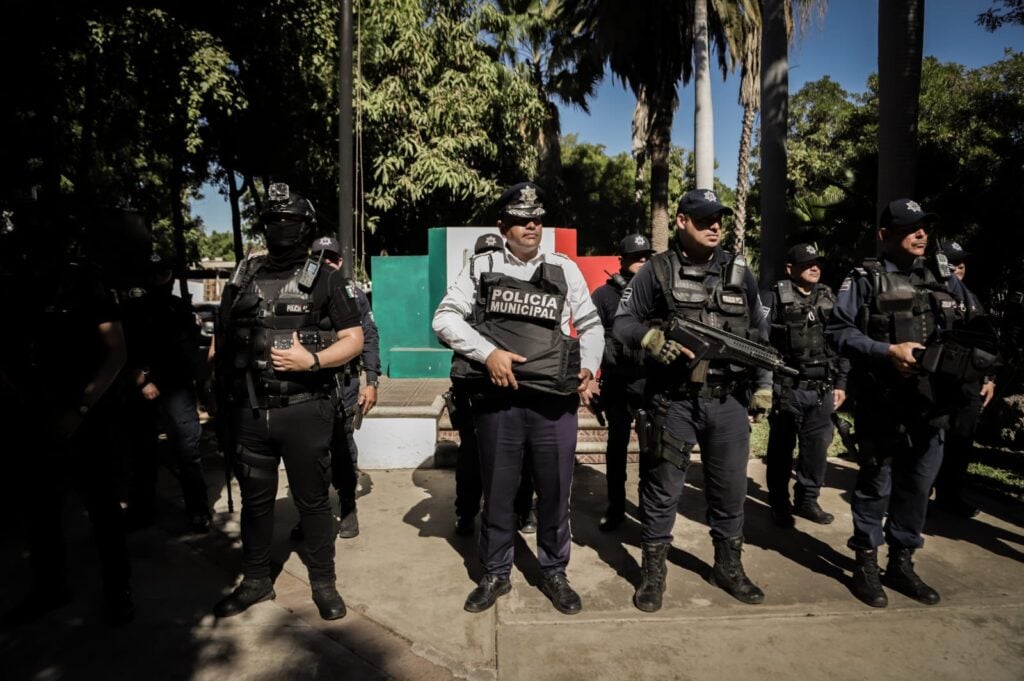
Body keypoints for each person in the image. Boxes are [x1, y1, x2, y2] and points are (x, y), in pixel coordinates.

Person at [433, 182, 603, 615]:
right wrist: (487, 353)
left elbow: (591, 325)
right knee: (500, 491)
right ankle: (495, 573)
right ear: (502, 225)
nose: (532, 225)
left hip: (553, 404)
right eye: (522, 219)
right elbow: (445, 318)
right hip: (499, 404)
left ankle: (554, 571)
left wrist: (587, 366)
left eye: (537, 219)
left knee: (554, 492)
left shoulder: (564, 268)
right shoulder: (480, 266)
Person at [613, 188, 773, 612]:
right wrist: (650, 338)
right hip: (674, 401)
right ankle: (653, 573)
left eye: (718, 219)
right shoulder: (657, 271)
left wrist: (764, 384)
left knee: (730, 491)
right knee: (662, 489)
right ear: (681, 222)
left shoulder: (740, 271)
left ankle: (728, 567)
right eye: (704, 220)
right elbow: (623, 322)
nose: (715, 226)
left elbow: (760, 334)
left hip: (729, 402)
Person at [210, 184, 363, 621]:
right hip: (250, 412)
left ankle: (323, 584)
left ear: (306, 227)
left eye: (290, 221)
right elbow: (222, 337)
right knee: (256, 501)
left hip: (304, 408)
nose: (281, 228)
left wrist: (312, 359)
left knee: (312, 501)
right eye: (274, 220)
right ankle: (256, 580)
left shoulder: (327, 278)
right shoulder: (243, 276)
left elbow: (353, 340)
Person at [826, 198, 989, 608]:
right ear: (885, 235)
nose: (920, 234)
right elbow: (838, 331)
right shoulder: (865, 278)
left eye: (924, 227)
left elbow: (976, 329)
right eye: (909, 227)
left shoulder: (945, 278)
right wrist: (886, 351)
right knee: (875, 485)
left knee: (918, 487)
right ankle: (865, 565)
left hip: (932, 405)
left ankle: (901, 563)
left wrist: (983, 372)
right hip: (883, 404)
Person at [0, 204, 134, 626]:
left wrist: (80, 407)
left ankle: (119, 591)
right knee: (41, 510)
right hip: (35, 414)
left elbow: (116, 351)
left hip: (86, 416)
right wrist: (22, 397)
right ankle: (50, 587)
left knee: (103, 509)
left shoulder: (85, 282)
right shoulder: (17, 284)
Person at [288, 236, 380, 540]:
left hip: (343, 381)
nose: (326, 262)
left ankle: (348, 506)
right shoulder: (297, 288)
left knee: (341, 445)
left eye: (332, 257)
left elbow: (368, 336)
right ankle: (312, 515)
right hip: (304, 380)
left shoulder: (353, 292)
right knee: (308, 452)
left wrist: (372, 380)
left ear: (340, 262)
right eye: (319, 256)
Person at [449, 233, 536, 538]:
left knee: (522, 454)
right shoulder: (464, 292)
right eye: (484, 256)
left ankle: (524, 509)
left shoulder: (518, 292)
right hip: (473, 387)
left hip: (513, 384)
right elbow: (444, 329)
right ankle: (466, 512)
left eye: (494, 255)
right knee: (471, 456)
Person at [122, 253, 212, 534]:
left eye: (165, 272)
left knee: (188, 452)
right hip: (147, 388)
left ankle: (198, 511)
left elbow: (190, 349)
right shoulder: (133, 309)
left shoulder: (179, 308)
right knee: (143, 454)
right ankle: (143, 510)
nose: (160, 278)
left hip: (178, 389)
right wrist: (141, 381)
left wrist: (199, 381)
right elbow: (126, 351)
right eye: (155, 272)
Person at [761, 243, 850, 527]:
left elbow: (841, 342)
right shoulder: (774, 297)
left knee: (816, 449)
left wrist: (841, 381)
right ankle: (779, 503)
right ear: (790, 268)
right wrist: (764, 385)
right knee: (781, 450)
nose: (815, 268)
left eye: (818, 263)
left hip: (822, 388)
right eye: (808, 263)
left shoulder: (828, 297)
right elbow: (760, 342)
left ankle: (807, 499)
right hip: (787, 388)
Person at [590, 233, 654, 531]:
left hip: (649, 384)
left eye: (646, 257)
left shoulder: (658, 294)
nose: (643, 261)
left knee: (650, 451)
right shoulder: (603, 296)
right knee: (616, 451)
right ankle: (615, 507)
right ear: (623, 260)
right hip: (616, 385)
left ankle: (647, 507)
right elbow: (591, 338)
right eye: (637, 257)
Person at [931, 240, 996, 518]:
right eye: (952, 263)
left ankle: (950, 496)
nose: (959, 268)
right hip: (937, 382)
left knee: (961, 443)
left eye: (961, 263)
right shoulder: (929, 294)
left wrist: (989, 378)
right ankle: (921, 498)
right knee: (933, 442)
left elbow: (986, 342)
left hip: (968, 385)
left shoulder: (971, 299)